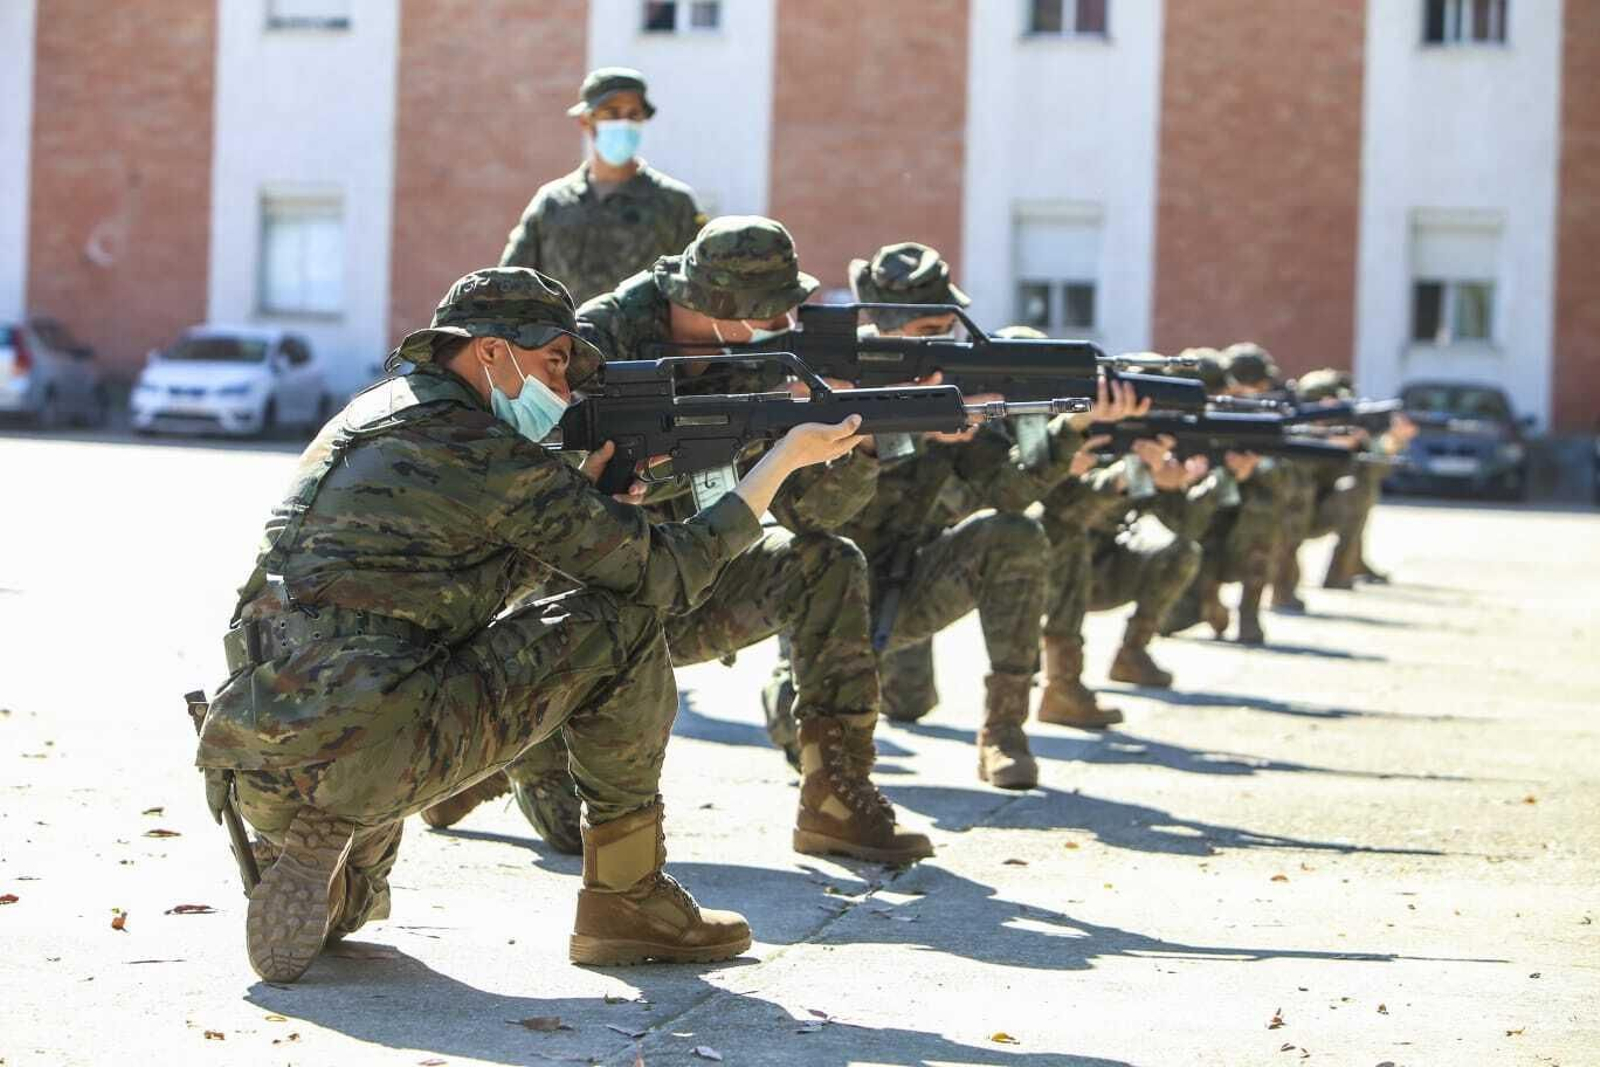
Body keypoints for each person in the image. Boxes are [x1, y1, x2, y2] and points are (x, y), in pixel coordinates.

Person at [193, 267, 861, 981]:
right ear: (488, 351)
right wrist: (782, 462)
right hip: (371, 733)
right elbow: (667, 574)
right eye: (552, 362)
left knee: (351, 901)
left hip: (251, 743)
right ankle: (626, 899)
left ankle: (320, 856)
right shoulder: (483, 449)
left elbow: (449, 572)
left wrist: (588, 503)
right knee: (626, 620)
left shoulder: (374, 417)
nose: (565, 390)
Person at [424, 218, 934, 866]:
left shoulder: (761, 365)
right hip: (578, 609)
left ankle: (837, 799)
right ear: (722, 305)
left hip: (685, 581)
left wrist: (854, 447)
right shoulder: (590, 346)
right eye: (770, 307)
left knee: (826, 561)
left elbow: (808, 514)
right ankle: (503, 757)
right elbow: (526, 498)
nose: (785, 318)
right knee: (574, 833)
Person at [819, 244, 1137, 789]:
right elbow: (813, 508)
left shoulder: (955, 389)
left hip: (905, 583)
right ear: (881, 327)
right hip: (821, 601)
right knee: (814, 733)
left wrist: (1072, 431)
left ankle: (1004, 733)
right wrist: (909, 424)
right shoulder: (829, 381)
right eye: (928, 329)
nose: (945, 341)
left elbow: (1008, 492)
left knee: (1014, 535)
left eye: (949, 327)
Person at [499, 67, 705, 305]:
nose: (624, 123)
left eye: (633, 114)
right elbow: (511, 286)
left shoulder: (674, 204)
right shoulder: (553, 203)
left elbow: (697, 291)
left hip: (643, 341)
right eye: (612, 113)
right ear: (586, 121)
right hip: (566, 341)